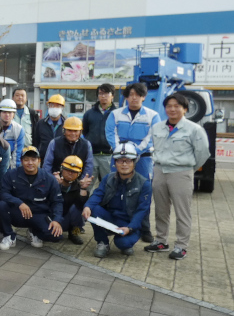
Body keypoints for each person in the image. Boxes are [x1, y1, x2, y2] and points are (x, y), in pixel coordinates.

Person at [144, 93, 211, 260]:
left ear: (185, 109)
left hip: (181, 173)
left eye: (176, 106)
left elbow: (203, 153)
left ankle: (181, 246)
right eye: (169, 106)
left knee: (183, 211)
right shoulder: (157, 127)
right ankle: (161, 241)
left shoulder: (194, 129)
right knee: (160, 209)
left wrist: (188, 169)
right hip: (160, 171)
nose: (172, 109)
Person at [105, 82, 161, 242]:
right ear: (126, 97)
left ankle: (144, 229)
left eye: (138, 95)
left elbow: (153, 136)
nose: (134, 98)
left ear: (144, 97)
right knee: (114, 190)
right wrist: (121, 151)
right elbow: (110, 132)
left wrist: (135, 151)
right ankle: (113, 225)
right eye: (131, 95)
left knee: (143, 193)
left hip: (143, 160)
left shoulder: (152, 115)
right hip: (118, 158)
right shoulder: (115, 114)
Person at [83, 143, 151, 258]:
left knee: (123, 244)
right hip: (111, 219)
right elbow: (98, 194)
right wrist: (87, 206)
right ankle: (102, 243)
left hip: (130, 223)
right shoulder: (108, 178)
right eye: (120, 161)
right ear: (115, 163)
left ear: (134, 163)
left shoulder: (144, 184)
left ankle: (126, 242)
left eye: (128, 161)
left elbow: (142, 211)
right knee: (93, 208)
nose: (124, 164)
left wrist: (130, 228)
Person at [0, 146, 63, 249]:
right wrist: (19, 203)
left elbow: (57, 201)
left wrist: (56, 220)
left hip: (38, 214)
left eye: (33, 159)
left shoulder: (49, 179)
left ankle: (34, 232)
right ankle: (9, 235)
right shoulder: (11, 175)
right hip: (17, 213)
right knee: (1, 205)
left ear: (39, 161)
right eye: (26, 160)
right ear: (21, 161)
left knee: (56, 236)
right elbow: (3, 193)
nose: (30, 163)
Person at [82, 83, 116, 188]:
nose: (103, 96)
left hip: (109, 155)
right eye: (101, 93)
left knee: (109, 185)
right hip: (92, 155)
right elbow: (85, 131)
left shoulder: (117, 113)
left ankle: (107, 205)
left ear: (112, 96)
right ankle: (85, 203)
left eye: (106, 93)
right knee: (87, 184)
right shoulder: (89, 114)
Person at [42, 116, 94, 180]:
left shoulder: (86, 145)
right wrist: (51, 181)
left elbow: (89, 165)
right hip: (57, 181)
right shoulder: (54, 143)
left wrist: (82, 182)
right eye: (69, 130)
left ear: (80, 132)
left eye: (75, 131)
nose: (73, 133)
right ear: (64, 130)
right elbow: (47, 164)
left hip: (78, 182)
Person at [55, 155, 91, 245]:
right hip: (54, 217)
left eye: (74, 172)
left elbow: (82, 205)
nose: (70, 173)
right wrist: (55, 186)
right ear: (61, 169)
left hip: (68, 218)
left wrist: (83, 189)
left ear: (78, 174)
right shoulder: (53, 182)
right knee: (53, 237)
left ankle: (74, 233)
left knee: (77, 208)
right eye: (67, 170)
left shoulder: (79, 186)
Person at [32, 94, 66, 158]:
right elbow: (36, 142)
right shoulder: (40, 123)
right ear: (48, 106)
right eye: (52, 105)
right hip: (44, 158)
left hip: (62, 159)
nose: (54, 108)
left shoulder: (66, 124)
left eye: (57, 106)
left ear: (62, 108)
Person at [0, 99, 25, 167]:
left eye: (10, 112)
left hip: (10, 165)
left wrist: (14, 171)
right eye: (4, 112)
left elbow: (18, 153)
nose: (7, 115)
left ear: (14, 115)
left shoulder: (19, 129)